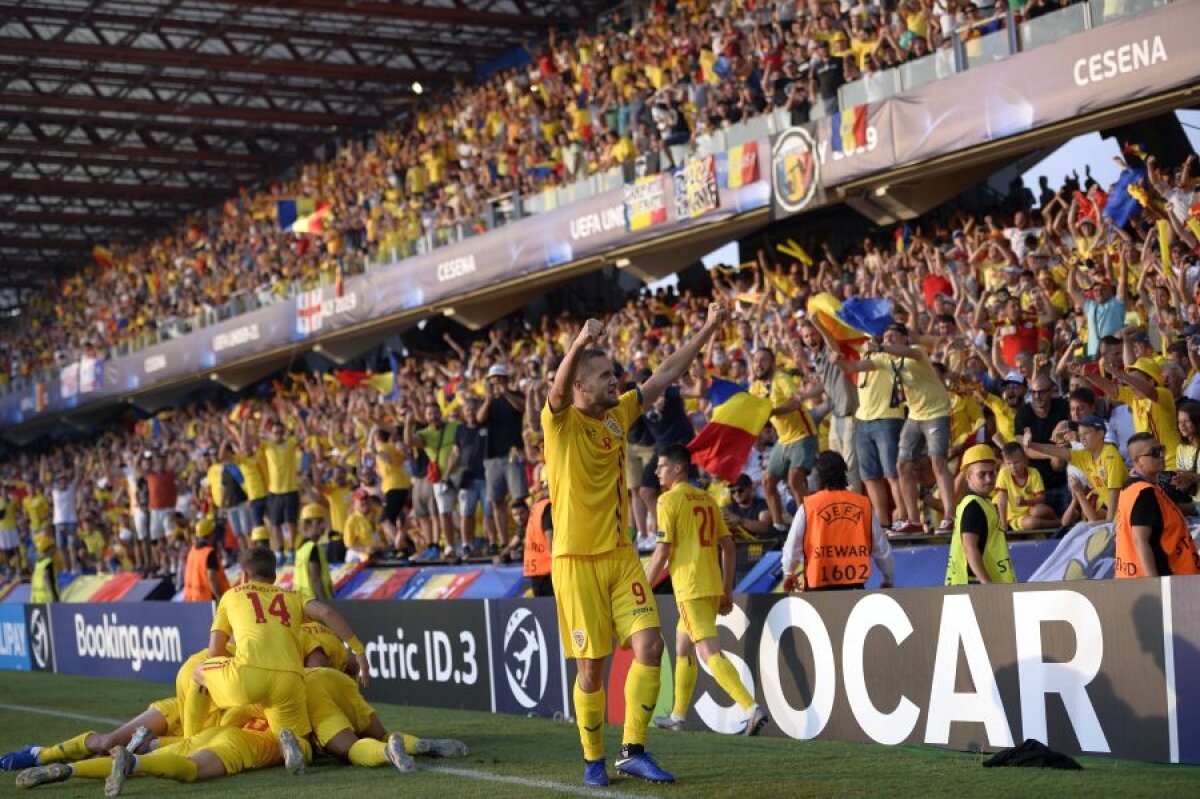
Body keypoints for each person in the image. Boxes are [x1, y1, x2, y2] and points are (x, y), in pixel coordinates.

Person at [542, 303, 726, 787]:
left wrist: (707, 328)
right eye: (603, 375)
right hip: (574, 562)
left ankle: (633, 749)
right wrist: (579, 343)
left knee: (651, 644)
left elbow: (665, 374)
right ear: (581, 385)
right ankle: (591, 759)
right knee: (592, 671)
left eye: (613, 373)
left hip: (622, 557)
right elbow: (557, 389)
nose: (613, 380)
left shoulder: (619, 413)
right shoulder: (559, 422)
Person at [192, 548, 368, 776]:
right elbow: (327, 613)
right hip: (290, 679)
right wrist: (359, 651)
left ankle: (192, 738)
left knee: (199, 671)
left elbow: (215, 651)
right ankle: (294, 746)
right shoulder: (292, 597)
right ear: (274, 575)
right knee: (303, 742)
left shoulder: (231, 595)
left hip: (249, 676)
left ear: (244, 574)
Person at [645, 445, 766, 736]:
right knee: (682, 644)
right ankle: (678, 715)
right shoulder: (708, 499)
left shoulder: (667, 501)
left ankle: (751, 708)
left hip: (691, 586)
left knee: (708, 651)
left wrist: (642, 588)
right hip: (711, 584)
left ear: (678, 468)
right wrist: (725, 590)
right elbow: (728, 548)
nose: (657, 472)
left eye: (661, 466)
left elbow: (662, 552)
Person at [780, 450, 895, 592]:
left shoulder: (809, 506)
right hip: (854, 587)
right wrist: (888, 579)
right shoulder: (862, 504)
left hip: (817, 588)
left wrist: (788, 573)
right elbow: (881, 548)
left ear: (818, 476)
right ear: (844, 473)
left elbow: (792, 549)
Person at [749, 346, 818, 533]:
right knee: (767, 481)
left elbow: (796, 403)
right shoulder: (756, 387)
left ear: (772, 363)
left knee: (795, 480)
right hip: (784, 439)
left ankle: (808, 525)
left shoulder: (781, 379)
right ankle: (779, 527)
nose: (758, 364)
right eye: (755, 361)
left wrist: (772, 412)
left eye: (763, 360)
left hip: (803, 434)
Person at [1114, 433, 1200, 578]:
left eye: (1161, 449)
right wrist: (1155, 585)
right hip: (1168, 581)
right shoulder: (1144, 492)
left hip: (1141, 580)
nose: (1161, 455)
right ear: (1138, 461)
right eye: (1154, 452)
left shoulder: (1132, 487)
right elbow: (1140, 541)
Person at [1023, 416, 1126, 523]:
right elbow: (1057, 451)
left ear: (1100, 434)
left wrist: (1109, 522)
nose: (1081, 438)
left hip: (1127, 512)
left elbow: (1115, 491)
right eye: (1080, 435)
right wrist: (1032, 445)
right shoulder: (1085, 455)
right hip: (1118, 517)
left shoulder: (1110, 454)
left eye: (1086, 433)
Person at [945, 445, 1014, 585]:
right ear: (968, 477)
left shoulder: (981, 503)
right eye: (982, 474)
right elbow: (969, 547)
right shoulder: (973, 506)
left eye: (992, 473)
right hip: (975, 586)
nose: (989, 479)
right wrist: (986, 583)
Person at [479, 363, 528, 551]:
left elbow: (522, 408)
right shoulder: (487, 401)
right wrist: (489, 399)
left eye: (498, 379)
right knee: (497, 501)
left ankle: (522, 539)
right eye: (492, 380)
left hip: (513, 453)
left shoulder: (515, 395)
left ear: (506, 380)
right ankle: (504, 542)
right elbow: (479, 418)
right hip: (492, 456)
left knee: (519, 499)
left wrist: (506, 393)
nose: (495, 383)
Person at [994, 442, 1059, 531]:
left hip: (1031, 509)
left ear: (1024, 459)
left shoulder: (1034, 472)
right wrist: (1004, 526)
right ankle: (1058, 523)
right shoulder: (1003, 474)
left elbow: (1041, 499)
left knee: (1040, 511)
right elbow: (1001, 502)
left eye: (1016, 462)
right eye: (1009, 463)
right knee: (1032, 523)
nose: (1013, 467)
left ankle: (1057, 521)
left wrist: (1025, 502)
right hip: (1015, 517)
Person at [371, 427, 412, 554]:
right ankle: (401, 546)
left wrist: (376, 452)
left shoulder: (383, 448)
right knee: (392, 520)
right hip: (399, 486)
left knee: (385, 519)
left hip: (395, 486)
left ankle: (403, 547)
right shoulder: (392, 448)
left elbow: (387, 459)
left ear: (376, 439)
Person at [294, 503, 334, 604]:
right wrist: (325, 603)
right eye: (319, 522)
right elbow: (315, 578)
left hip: (302, 600)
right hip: (314, 601)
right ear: (307, 524)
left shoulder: (301, 547)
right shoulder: (313, 548)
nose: (323, 526)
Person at [181, 519, 228, 602]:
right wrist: (220, 598)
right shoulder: (209, 553)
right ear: (211, 534)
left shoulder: (193, 550)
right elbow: (211, 577)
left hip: (193, 598)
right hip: (208, 600)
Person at [520, 497, 554, 597]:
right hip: (549, 569)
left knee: (542, 609)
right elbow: (549, 537)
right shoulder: (547, 506)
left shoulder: (536, 508)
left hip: (536, 569)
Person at [722, 473, 773, 538]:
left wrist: (740, 520)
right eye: (733, 492)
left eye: (740, 490)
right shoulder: (730, 509)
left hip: (762, 545)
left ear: (750, 488)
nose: (736, 494)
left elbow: (764, 527)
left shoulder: (762, 504)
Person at [30, 533, 59, 603]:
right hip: (48, 598)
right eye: (53, 547)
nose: (55, 549)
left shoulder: (38, 563)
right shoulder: (48, 562)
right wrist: (55, 598)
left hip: (37, 598)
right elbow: (48, 580)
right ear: (49, 549)